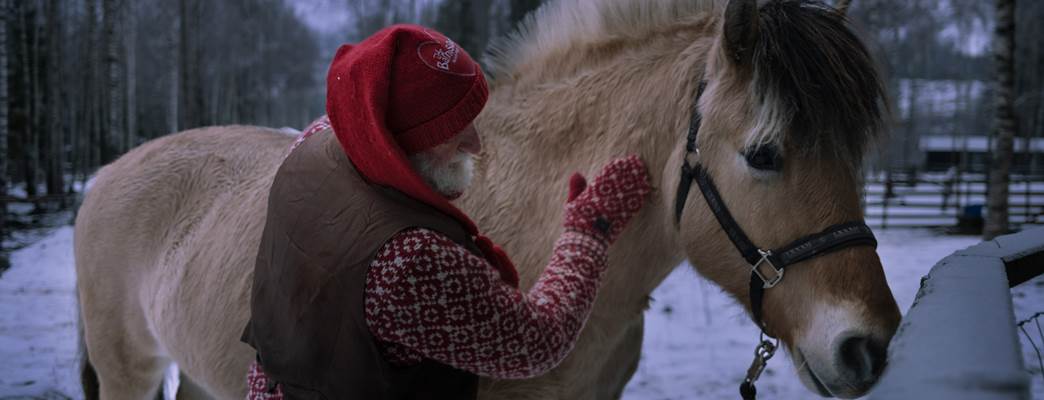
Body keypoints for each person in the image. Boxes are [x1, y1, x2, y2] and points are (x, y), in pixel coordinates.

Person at [241, 25, 651, 399]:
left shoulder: (315, 143)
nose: (474, 143)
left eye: (471, 119)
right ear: (394, 139)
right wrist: (588, 230)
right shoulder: (408, 262)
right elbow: (536, 341)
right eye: (448, 130)